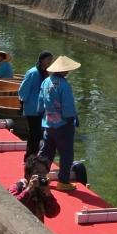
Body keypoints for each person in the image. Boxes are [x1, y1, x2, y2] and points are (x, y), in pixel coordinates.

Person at [38, 55, 80, 190]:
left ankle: (39, 177)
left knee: (46, 152)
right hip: (63, 125)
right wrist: (72, 119)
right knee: (66, 154)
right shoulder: (64, 85)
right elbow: (68, 107)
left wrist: (42, 114)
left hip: (48, 123)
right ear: (62, 71)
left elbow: (41, 102)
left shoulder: (46, 82)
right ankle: (63, 181)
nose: (68, 72)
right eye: (66, 69)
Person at [18, 50, 53, 156]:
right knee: (34, 133)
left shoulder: (45, 73)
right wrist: (22, 102)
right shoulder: (33, 72)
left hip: (41, 108)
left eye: (51, 60)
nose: (50, 62)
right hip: (32, 107)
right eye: (48, 60)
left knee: (38, 134)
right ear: (42, 60)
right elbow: (23, 89)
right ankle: (29, 155)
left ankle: (34, 154)